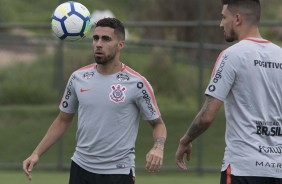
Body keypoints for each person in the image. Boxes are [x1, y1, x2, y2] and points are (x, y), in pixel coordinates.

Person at [23, 17, 167, 184]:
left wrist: (158, 147)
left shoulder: (137, 83)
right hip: (80, 168)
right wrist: (36, 153)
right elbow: (63, 120)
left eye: (106, 39)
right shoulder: (78, 78)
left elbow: (158, 124)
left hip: (118, 172)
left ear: (121, 44)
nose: (99, 43)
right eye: (96, 38)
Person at [175, 0, 282, 183]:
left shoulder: (232, 55)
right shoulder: (279, 55)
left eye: (224, 17)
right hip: (277, 170)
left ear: (237, 18)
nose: (221, 23)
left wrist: (185, 140)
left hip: (243, 168)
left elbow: (207, 116)